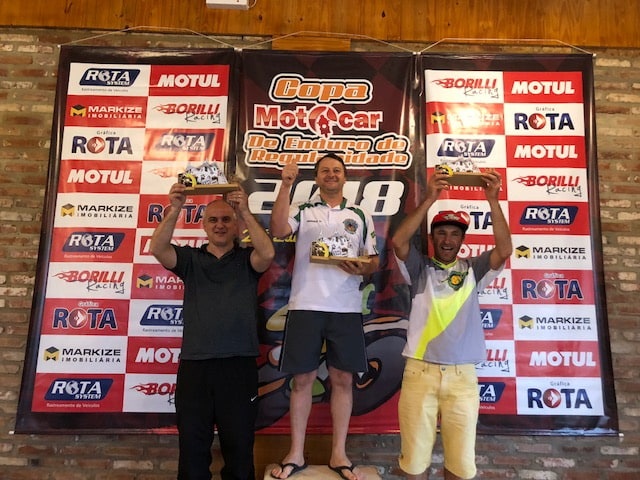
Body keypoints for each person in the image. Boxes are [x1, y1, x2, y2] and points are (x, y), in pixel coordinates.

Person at [391, 170, 512, 480]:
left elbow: (504, 250)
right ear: (432, 238)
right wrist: (430, 198)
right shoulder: (419, 267)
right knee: (414, 465)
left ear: (462, 239)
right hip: (420, 373)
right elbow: (399, 241)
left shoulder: (474, 269)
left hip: (462, 378)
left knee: (460, 465)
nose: (447, 239)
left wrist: (493, 200)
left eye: (454, 234)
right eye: (441, 233)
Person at [150, 183, 275, 480]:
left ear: (236, 226)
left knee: (240, 449)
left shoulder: (247, 260)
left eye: (226, 219)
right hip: (196, 367)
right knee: (192, 450)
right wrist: (175, 209)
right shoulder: (190, 260)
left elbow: (267, 252)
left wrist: (245, 211)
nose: (220, 225)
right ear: (204, 226)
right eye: (213, 220)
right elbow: (157, 249)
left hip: (239, 366)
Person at [269, 153, 379, 480]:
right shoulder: (303, 210)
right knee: (302, 380)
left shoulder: (360, 214)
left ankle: (339, 454)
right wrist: (286, 185)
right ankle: (295, 453)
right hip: (306, 305)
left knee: (343, 380)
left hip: (346, 307)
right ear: (316, 178)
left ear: (345, 177)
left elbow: (373, 260)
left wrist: (362, 267)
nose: (331, 175)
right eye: (325, 171)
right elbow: (278, 229)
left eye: (336, 170)